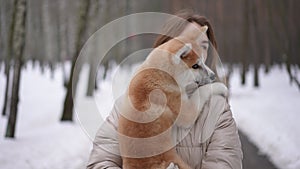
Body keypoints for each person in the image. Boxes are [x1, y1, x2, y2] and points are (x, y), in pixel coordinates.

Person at [87, 11, 243, 169]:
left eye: (204, 45)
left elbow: (226, 161)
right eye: (188, 42)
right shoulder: (127, 103)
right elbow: (100, 161)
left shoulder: (217, 109)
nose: (197, 51)